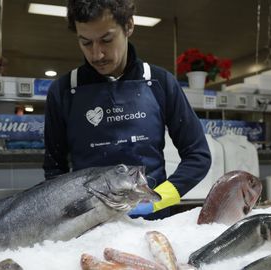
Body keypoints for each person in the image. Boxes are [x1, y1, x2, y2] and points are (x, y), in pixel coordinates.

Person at [43, 0, 211, 220]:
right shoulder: (64, 90)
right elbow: (54, 169)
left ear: (129, 26)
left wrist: (158, 199)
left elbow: (198, 156)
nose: (96, 54)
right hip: (89, 228)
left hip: (152, 224)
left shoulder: (160, 82)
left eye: (106, 40)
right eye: (85, 42)